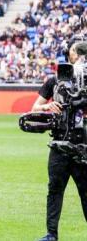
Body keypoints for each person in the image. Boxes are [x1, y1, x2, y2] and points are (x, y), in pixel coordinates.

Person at [31, 42, 87, 241]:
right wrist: (48, 106)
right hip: (58, 145)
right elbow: (35, 107)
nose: (72, 54)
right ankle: (51, 234)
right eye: (73, 51)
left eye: (75, 51)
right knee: (54, 190)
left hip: (83, 146)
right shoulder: (53, 80)